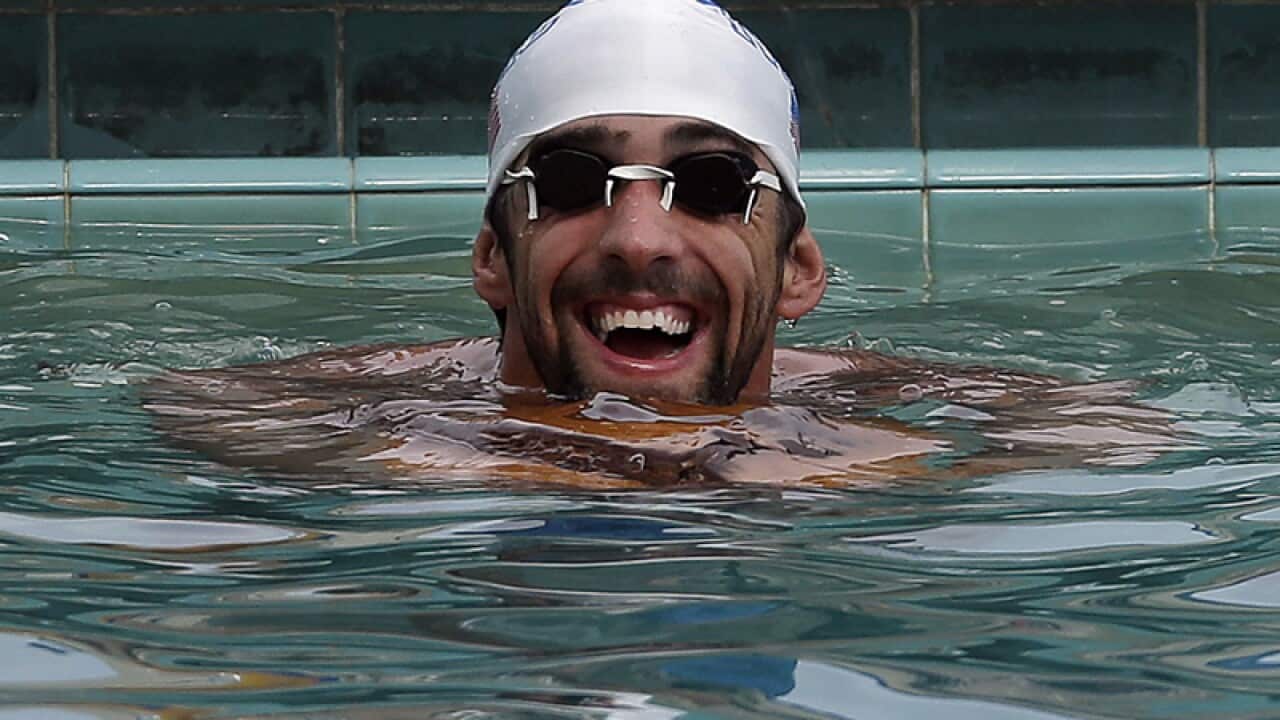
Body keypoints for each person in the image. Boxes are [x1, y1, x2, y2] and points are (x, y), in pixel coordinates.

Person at [144, 0, 1187, 487]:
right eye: (563, 184)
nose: (639, 240)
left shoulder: (863, 400)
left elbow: (1123, 437)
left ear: (797, 272)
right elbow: (198, 404)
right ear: (491, 259)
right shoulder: (389, 408)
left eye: (713, 185)